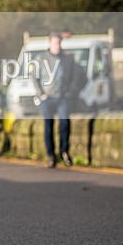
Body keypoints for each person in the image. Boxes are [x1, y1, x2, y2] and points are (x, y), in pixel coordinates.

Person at [33, 33, 76, 168]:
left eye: (59, 43)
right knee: (48, 126)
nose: (57, 46)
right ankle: (51, 155)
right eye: (55, 43)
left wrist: (70, 92)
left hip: (62, 97)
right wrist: (41, 94)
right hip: (47, 98)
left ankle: (64, 151)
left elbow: (75, 76)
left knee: (64, 123)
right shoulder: (41, 58)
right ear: (49, 44)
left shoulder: (67, 58)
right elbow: (35, 77)